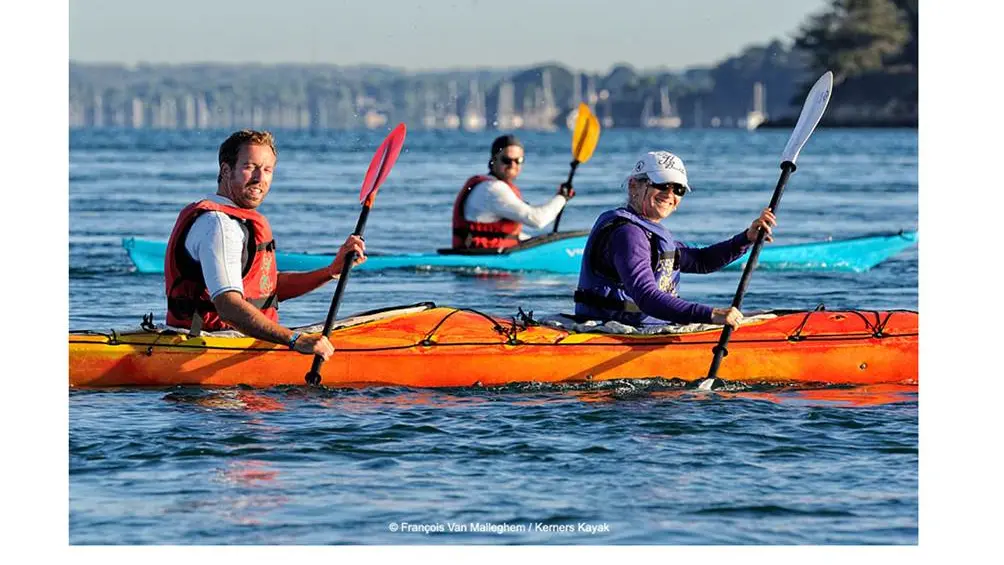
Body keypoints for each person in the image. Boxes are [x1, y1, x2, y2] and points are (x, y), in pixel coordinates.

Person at [164, 129, 366, 360]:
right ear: (225, 170)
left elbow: (266, 289)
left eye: (267, 169)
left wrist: (330, 272)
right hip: (206, 350)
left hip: (230, 342)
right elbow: (228, 307)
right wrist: (295, 340)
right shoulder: (220, 226)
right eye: (250, 167)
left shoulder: (233, 221)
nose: (260, 178)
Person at [574, 150, 777, 329]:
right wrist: (711, 314)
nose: (670, 194)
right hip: (615, 333)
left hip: (643, 329)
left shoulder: (647, 232)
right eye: (662, 185)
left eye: (678, 189)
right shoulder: (629, 234)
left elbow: (701, 261)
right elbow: (646, 297)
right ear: (633, 186)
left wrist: (747, 238)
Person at [451, 134, 575, 250]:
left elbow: (509, 235)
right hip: (482, 259)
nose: (512, 165)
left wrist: (545, 243)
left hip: (487, 255)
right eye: (506, 160)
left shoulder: (490, 186)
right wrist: (562, 197)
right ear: (493, 160)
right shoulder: (493, 189)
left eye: (518, 160)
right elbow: (537, 220)